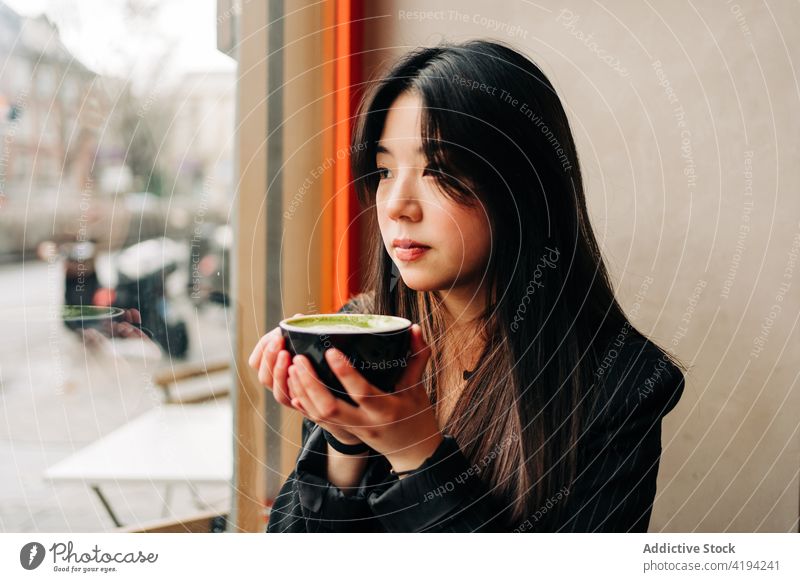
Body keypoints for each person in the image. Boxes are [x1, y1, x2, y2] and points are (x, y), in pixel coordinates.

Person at [249, 39, 686, 532]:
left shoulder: (620, 381)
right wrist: (343, 442)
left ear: (521, 184)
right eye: (386, 170)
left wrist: (415, 452)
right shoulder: (361, 336)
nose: (395, 205)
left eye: (436, 169)